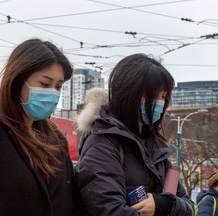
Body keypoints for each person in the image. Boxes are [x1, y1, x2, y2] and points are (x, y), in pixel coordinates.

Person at [75, 53, 195, 216]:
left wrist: (164, 204)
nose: (159, 103)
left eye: (163, 97)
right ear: (130, 92)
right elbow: (108, 210)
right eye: (153, 95)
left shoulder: (155, 149)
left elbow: (188, 206)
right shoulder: (102, 144)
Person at [0, 38, 75, 215]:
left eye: (58, 86)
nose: (52, 93)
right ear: (18, 80)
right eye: (44, 84)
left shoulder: (55, 137)